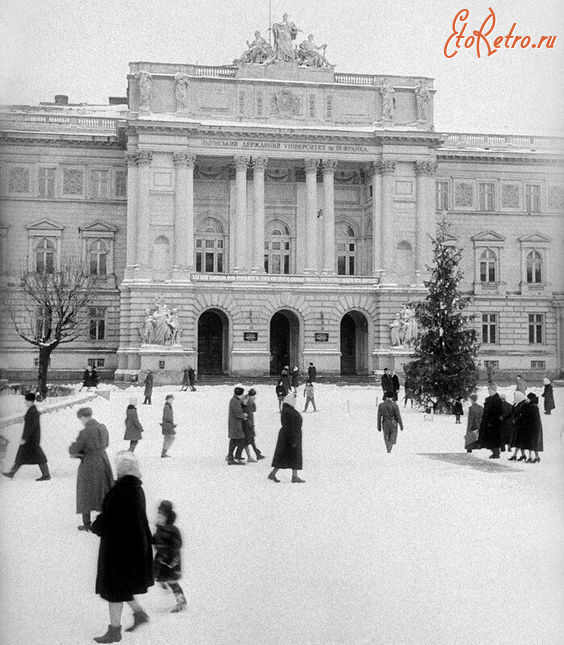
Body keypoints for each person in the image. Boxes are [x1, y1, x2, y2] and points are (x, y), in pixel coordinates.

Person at [91, 451, 153, 643]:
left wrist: (96, 525)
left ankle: (114, 631)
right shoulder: (136, 489)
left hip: (118, 550)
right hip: (133, 548)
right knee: (122, 586)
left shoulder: (120, 492)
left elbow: (111, 520)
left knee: (114, 591)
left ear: (121, 471)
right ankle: (139, 613)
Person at [69, 407, 114, 531]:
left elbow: (75, 449)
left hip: (89, 464)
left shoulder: (85, 432)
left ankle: (87, 523)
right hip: (103, 461)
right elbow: (106, 443)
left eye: (80, 419)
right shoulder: (103, 427)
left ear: (83, 417)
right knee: (104, 489)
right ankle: (107, 518)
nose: (81, 422)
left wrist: (74, 448)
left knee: (86, 491)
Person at [3, 392, 51, 481]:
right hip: (31, 439)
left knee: (39, 457)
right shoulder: (32, 410)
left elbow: (31, 427)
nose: (26, 403)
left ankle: (46, 474)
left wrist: (25, 438)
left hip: (31, 439)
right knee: (21, 455)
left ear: (31, 401)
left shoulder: (33, 412)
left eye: (27, 401)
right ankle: (12, 472)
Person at [153, 500, 187, 613]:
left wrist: (169, 551)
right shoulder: (159, 530)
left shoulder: (173, 530)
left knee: (172, 581)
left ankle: (181, 602)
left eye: (162, 516)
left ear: (167, 517)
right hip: (161, 559)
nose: (159, 518)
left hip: (171, 560)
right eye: (159, 516)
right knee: (163, 578)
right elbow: (154, 540)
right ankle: (165, 588)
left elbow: (177, 544)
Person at [269, 390, 305, 483]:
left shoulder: (287, 409)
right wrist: (293, 440)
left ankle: (275, 474)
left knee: (283, 457)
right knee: (292, 456)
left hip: (288, 436)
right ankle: (294, 476)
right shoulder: (289, 410)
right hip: (291, 437)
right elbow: (290, 425)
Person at [478, 383, 504, 459]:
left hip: (494, 423)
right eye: (488, 390)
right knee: (489, 438)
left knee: (493, 438)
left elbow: (497, 412)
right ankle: (494, 451)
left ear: (494, 390)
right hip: (487, 421)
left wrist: (491, 421)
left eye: (490, 390)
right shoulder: (489, 399)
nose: (489, 391)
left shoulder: (497, 400)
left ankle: (496, 452)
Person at [227, 385, 247, 465]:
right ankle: (236, 457)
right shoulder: (235, 401)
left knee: (233, 441)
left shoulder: (234, 400)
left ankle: (231, 457)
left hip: (234, 423)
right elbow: (238, 413)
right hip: (236, 424)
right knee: (241, 440)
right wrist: (244, 415)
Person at [243, 388, 265, 461]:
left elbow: (254, 410)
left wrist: (253, 402)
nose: (255, 397)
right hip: (248, 424)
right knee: (248, 441)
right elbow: (249, 412)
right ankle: (255, 454)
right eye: (254, 396)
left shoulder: (249, 401)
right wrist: (250, 425)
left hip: (250, 424)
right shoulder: (247, 402)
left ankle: (257, 454)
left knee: (250, 440)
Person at [523, 393, 543, 463]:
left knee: (532, 443)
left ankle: (534, 457)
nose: (527, 399)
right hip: (533, 427)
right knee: (532, 443)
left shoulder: (532, 406)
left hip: (532, 428)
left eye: (528, 398)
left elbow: (528, 416)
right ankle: (533, 457)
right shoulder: (533, 406)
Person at [508, 391, 528, 461]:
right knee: (518, 441)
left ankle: (515, 455)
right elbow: (513, 412)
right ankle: (522, 455)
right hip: (517, 425)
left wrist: (516, 420)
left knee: (518, 441)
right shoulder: (518, 403)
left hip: (521, 425)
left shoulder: (523, 404)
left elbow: (522, 415)